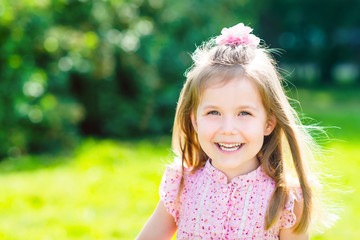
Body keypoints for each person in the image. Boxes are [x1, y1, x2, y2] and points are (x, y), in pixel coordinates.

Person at [136, 23, 328, 240]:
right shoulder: (181, 184)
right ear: (195, 121)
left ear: (269, 123)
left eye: (244, 113)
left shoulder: (286, 197)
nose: (228, 129)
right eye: (213, 113)